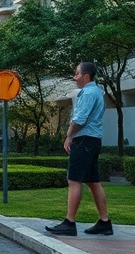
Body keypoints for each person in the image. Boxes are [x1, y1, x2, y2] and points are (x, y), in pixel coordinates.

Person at [44, 62, 113, 237]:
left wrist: (68, 136)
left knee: (74, 181)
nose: (74, 77)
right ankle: (104, 222)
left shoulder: (88, 93)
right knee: (93, 182)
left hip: (83, 141)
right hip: (93, 141)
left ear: (86, 76)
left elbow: (80, 119)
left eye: (76, 74)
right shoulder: (97, 91)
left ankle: (69, 223)